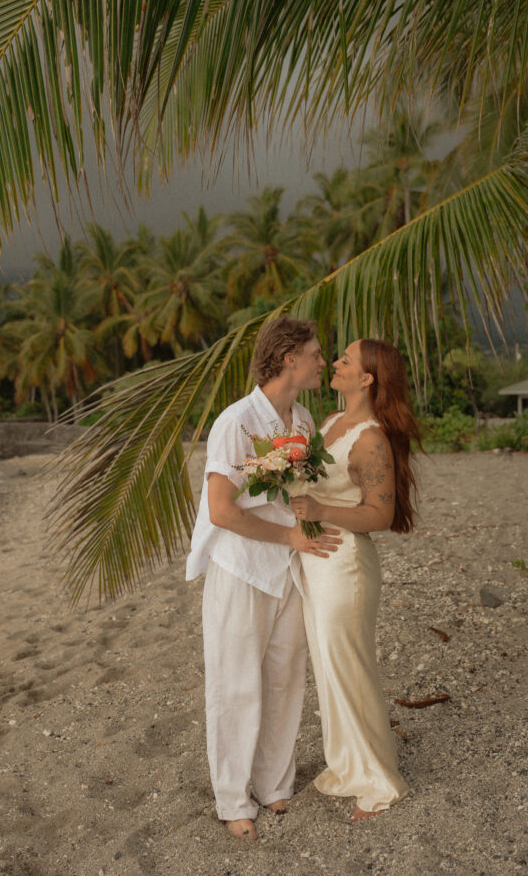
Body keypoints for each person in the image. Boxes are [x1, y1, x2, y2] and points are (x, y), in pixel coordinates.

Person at [186, 317, 342, 841]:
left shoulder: (302, 420)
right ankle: (233, 799)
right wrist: (288, 540)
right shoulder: (236, 421)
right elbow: (221, 510)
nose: (324, 361)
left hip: (290, 569)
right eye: (316, 353)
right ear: (288, 358)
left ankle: (274, 784)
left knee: (284, 679)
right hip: (241, 568)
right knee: (234, 685)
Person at [291, 338, 421, 821]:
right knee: (329, 670)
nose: (336, 364)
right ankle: (348, 766)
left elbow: (381, 514)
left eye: (345, 360)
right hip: (317, 561)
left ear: (367, 378)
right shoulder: (329, 423)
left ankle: (380, 778)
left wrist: (321, 509)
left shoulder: (368, 438)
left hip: (345, 567)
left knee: (350, 668)